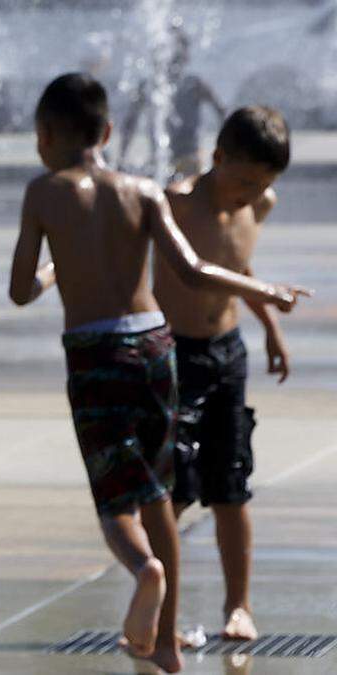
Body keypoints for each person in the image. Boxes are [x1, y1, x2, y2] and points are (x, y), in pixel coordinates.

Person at [8, 73, 306, 673]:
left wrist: (53, 268)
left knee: (119, 498)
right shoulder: (146, 189)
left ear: (44, 136)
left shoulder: (44, 191)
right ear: (109, 131)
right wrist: (266, 295)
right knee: (162, 495)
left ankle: (146, 571)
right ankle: (167, 644)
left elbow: (20, 290)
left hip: (98, 354)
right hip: (158, 347)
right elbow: (193, 267)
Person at [155, 106, 303, 642]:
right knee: (173, 488)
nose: (249, 194)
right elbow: (186, 272)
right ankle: (160, 606)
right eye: (242, 181)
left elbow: (239, 267)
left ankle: (238, 605)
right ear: (216, 158)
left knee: (232, 485)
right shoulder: (175, 203)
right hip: (175, 355)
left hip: (227, 353)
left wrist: (270, 328)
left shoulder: (259, 203)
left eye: (261, 185)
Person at [119, 26, 225, 179]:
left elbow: (222, 113)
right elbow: (130, 123)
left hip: (188, 159)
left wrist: (222, 153)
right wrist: (122, 157)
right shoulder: (149, 86)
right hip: (161, 160)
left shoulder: (194, 84)